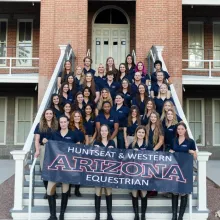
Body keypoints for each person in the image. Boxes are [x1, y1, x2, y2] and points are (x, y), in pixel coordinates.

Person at [46, 116, 79, 220]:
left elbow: (78, 149)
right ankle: (53, 215)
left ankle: (61, 215)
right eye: (61, 122)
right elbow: (49, 147)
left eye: (65, 122)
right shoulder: (54, 134)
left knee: (65, 190)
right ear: (59, 123)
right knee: (49, 190)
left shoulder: (73, 134)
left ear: (68, 122)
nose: (63, 124)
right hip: (55, 167)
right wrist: (45, 141)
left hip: (68, 167)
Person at [169, 122, 197, 220]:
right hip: (175, 169)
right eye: (178, 129)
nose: (180, 131)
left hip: (186, 170)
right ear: (177, 131)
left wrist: (192, 152)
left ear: (185, 130)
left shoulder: (190, 141)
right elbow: (170, 154)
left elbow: (195, 156)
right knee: (175, 192)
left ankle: (180, 217)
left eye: (182, 129)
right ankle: (174, 216)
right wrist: (171, 152)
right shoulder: (174, 140)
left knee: (183, 192)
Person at [34, 108, 58, 199]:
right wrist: (37, 150)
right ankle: (47, 191)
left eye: (50, 113)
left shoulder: (56, 125)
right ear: (44, 115)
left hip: (54, 149)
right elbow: (36, 139)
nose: (48, 115)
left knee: (54, 170)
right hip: (44, 148)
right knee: (45, 171)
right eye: (47, 113)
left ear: (53, 115)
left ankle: (53, 191)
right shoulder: (39, 125)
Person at [93, 124, 115, 220]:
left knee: (108, 191)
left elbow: (115, 157)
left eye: (105, 130)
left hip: (109, 170)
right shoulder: (96, 142)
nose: (104, 132)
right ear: (99, 132)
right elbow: (92, 157)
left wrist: (112, 151)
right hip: (98, 170)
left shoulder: (112, 142)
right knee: (98, 191)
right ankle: (97, 215)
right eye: (102, 131)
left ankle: (109, 215)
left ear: (108, 131)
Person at [129, 126, 148, 220]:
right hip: (133, 172)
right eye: (139, 132)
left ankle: (143, 215)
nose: (141, 134)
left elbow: (152, 159)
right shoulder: (132, 145)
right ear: (136, 133)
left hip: (144, 172)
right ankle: (136, 214)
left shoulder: (148, 145)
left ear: (145, 134)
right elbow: (125, 159)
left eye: (142, 132)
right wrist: (132, 152)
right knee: (134, 192)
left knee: (144, 193)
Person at [146, 111, 164, 197]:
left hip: (156, 152)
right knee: (147, 172)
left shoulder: (160, 128)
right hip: (147, 152)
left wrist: (153, 150)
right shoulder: (147, 127)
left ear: (157, 118)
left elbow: (161, 142)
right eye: (151, 117)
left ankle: (153, 191)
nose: (153, 118)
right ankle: (147, 189)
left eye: (154, 117)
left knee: (154, 172)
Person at [69, 111, 86, 198]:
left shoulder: (82, 127)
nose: (77, 118)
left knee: (80, 171)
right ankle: (67, 190)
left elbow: (85, 139)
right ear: (72, 117)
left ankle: (77, 189)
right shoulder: (69, 127)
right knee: (70, 170)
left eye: (78, 116)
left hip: (81, 151)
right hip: (71, 151)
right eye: (75, 116)